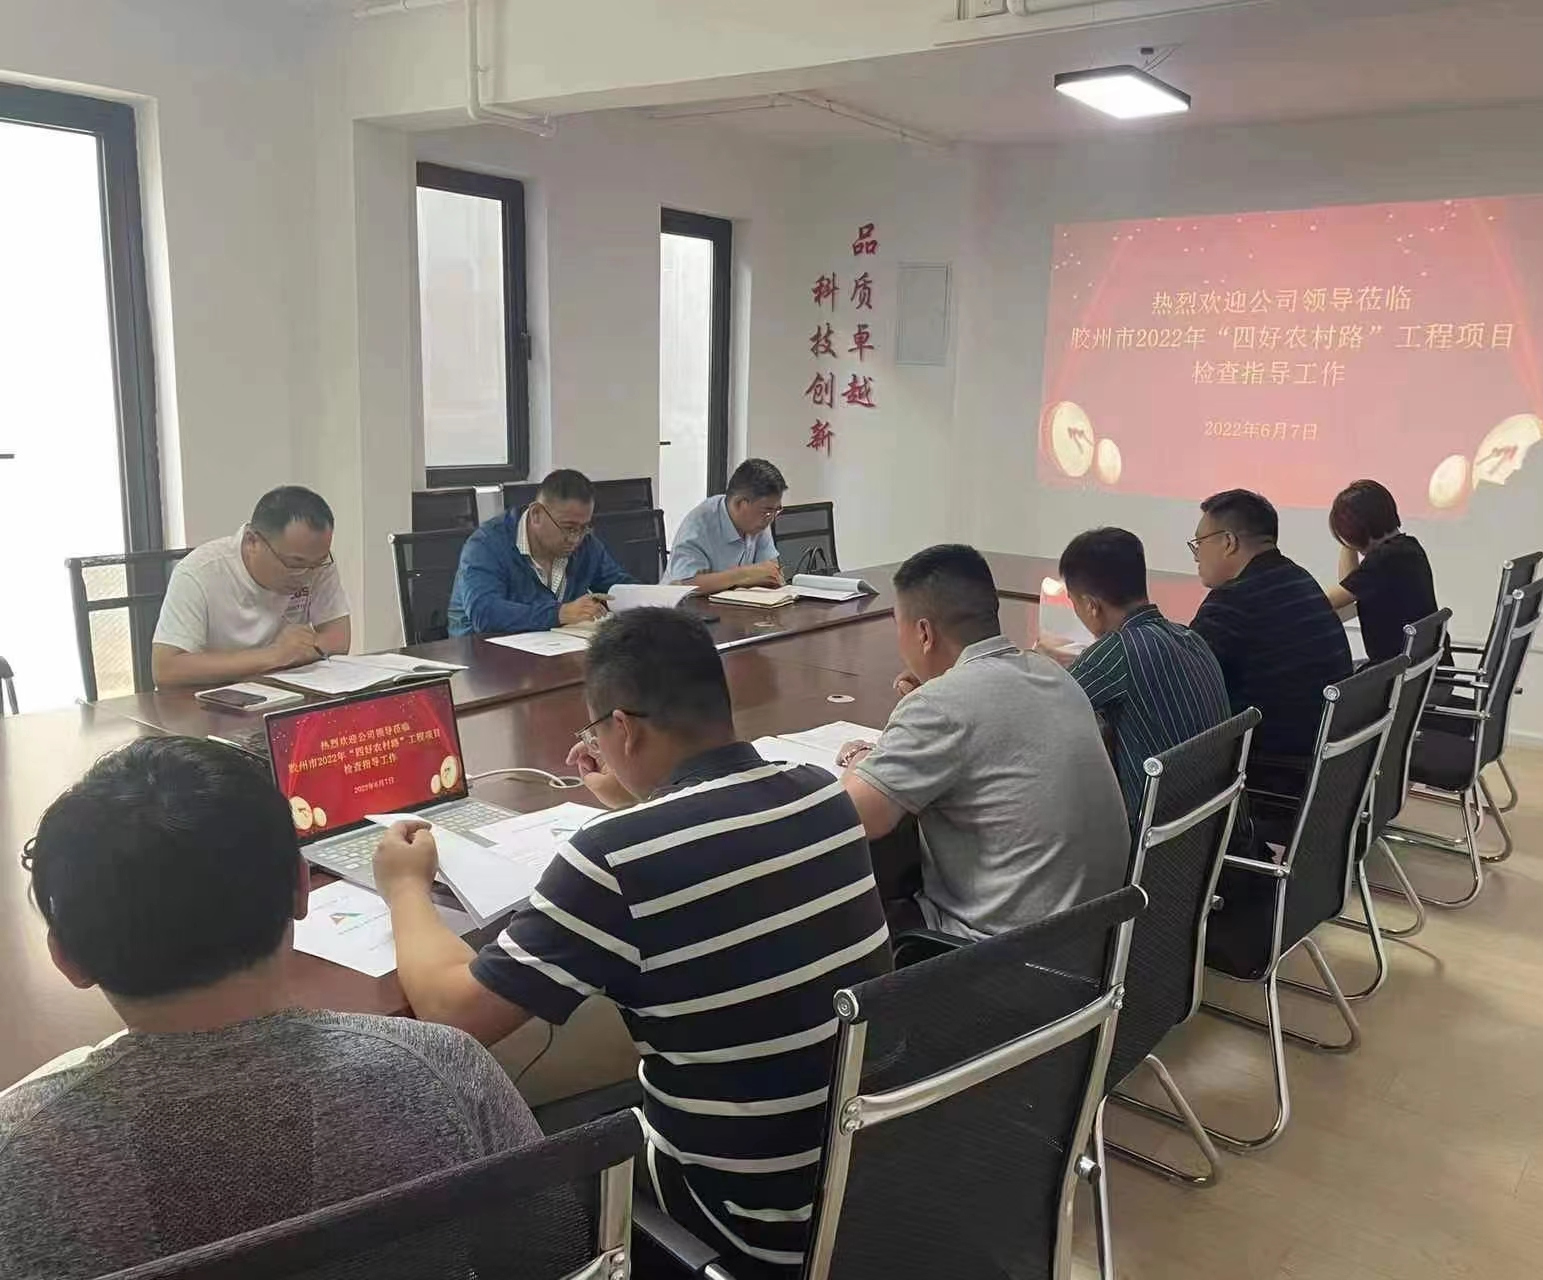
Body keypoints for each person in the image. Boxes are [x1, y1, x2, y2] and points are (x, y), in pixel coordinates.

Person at [373, 608, 889, 1275]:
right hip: (863, 1186)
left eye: (596, 731)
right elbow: (713, 860)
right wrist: (641, 800)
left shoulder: (613, 859)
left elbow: (453, 1013)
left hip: (741, 1225)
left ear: (623, 727)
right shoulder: (820, 794)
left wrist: (405, 886)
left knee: (522, 1164)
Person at [1, 737, 540, 1280]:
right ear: (301, 890)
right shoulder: (446, 1067)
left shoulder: (18, 1152)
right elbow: (548, 1240)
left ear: (67, 959)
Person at [837, 544, 1129, 941]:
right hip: (1096, 941)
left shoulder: (941, 705)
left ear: (924, 633)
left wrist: (860, 755)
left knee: (837, 913)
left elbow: (852, 816)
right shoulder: (1052, 673)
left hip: (1002, 954)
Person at [1052, 527, 1231, 825]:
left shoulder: (1118, 651)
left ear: (1091, 605)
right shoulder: (1191, 639)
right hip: (1214, 828)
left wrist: (1037, 664)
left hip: (1159, 839)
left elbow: (1042, 716)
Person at [1188, 489, 1353, 792]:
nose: (1196, 556)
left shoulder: (1232, 602)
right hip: (1327, 768)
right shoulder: (1299, 578)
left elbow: (1181, 688)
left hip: (1273, 774)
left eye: (1199, 543)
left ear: (1228, 542)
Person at [152, 485, 350, 688]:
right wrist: (274, 656)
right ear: (252, 541)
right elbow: (166, 669)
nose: (306, 576)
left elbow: (338, 639)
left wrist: (292, 652)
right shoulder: (200, 572)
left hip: (285, 690)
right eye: (295, 564)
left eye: (317, 563)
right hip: (212, 697)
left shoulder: (317, 564)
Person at [447, 468, 633, 636]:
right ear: (536, 514)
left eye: (584, 528)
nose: (575, 539)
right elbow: (485, 614)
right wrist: (560, 613)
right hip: (479, 652)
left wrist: (645, 599)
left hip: (551, 647)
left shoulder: (587, 545)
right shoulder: (486, 545)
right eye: (568, 528)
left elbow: (619, 587)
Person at [1325, 478, 1450, 664]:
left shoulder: (1382, 561)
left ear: (1355, 530)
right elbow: (1351, 583)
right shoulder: (1408, 547)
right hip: (1425, 669)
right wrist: (1348, 542)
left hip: (1397, 671)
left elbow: (1328, 601)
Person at [665, 458, 787, 592]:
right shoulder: (700, 524)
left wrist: (769, 575)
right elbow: (686, 585)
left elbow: (771, 571)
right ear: (740, 503)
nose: (771, 518)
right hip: (680, 603)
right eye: (767, 511)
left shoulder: (760, 521)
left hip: (735, 601)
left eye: (777, 510)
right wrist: (743, 575)